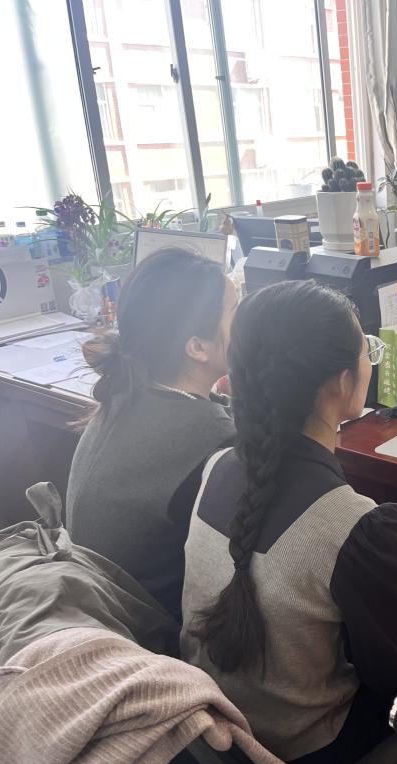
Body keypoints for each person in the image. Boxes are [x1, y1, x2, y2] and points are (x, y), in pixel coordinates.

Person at [181, 280, 397, 764]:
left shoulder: (216, 468)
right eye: (366, 350)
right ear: (339, 382)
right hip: (307, 749)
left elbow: (287, 588)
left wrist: (382, 603)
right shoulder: (356, 526)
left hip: (214, 732)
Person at [66, 249, 238, 622]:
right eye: (236, 312)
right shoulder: (213, 440)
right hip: (153, 639)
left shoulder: (125, 394)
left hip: (94, 615)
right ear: (197, 347)